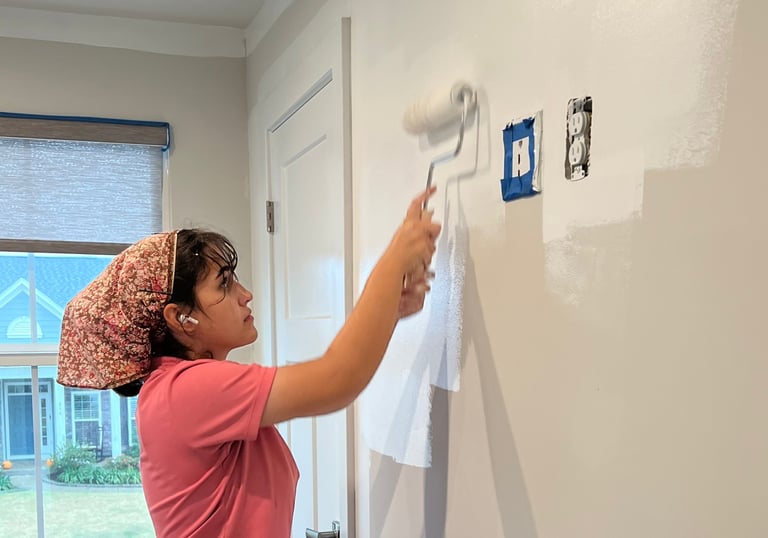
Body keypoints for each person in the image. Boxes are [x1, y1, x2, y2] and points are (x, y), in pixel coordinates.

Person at [56, 187, 441, 537]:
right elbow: (338, 379)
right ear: (179, 318)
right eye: (224, 284)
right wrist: (393, 260)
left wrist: (389, 308)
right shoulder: (184, 391)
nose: (246, 294)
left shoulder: (181, 389)